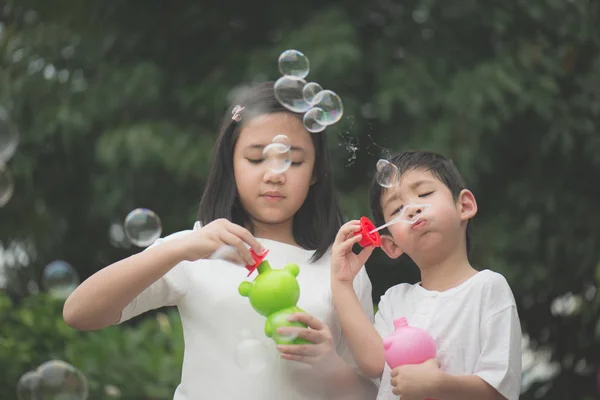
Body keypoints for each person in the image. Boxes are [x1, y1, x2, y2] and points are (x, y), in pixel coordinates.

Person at [63, 82, 376, 400]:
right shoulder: (197, 249)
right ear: (231, 165)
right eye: (255, 159)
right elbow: (80, 313)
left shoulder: (340, 266)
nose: (274, 175)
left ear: (315, 172)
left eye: (293, 162)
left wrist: (328, 364)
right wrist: (180, 248)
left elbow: (372, 392)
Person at [331, 150, 522, 400]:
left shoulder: (488, 288)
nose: (412, 209)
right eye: (398, 209)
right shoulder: (394, 300)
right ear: (391, 245)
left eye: (424, 194)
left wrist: (438, 384)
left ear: (464, 205)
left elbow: (501, 389)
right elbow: (374, 362)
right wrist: (342, 283)